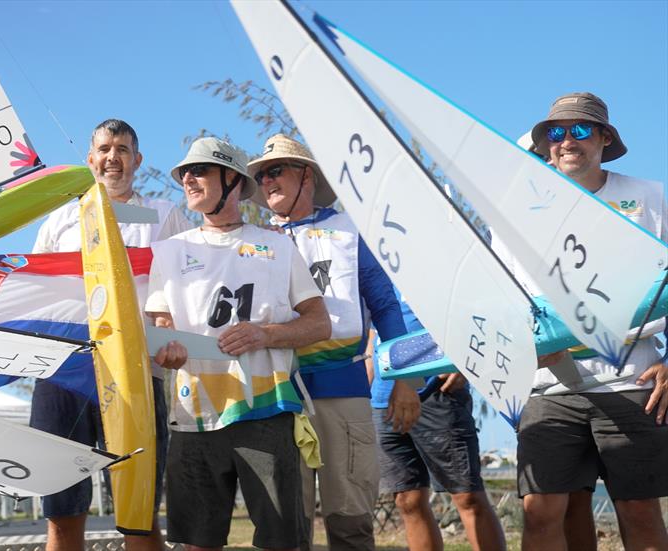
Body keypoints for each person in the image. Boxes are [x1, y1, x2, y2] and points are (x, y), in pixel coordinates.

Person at [145, 137, 330, 551]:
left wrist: (265, 334)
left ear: (232, 179)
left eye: (200, 170)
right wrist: (168, 350)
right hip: (195, 415)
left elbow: (319, 324)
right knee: (197, 543)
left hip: (265, 411)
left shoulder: (278, 246)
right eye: (184, 173)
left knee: (282, 542)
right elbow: (162, 326)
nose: (188, 178)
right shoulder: (170, 251)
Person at [247, 134, 421, 551]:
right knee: (287, 528)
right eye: (262, 175)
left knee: (350, 522)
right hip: (277, 395)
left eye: (276, 171)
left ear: (306, 175)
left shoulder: (349, 232)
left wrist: (404, 379)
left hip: (342, 391)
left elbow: (386, 306)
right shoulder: (253, 240)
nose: (267, 181)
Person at [30, 118, 191, 551]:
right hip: (64, 370)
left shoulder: (162, 213)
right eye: (104, 148)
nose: (112, 157)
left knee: (139, 518)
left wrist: (170, 331)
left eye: (122, 149)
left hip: (136, 371)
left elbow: (182, 286)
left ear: (137, 160)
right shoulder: (61, 219)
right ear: (90, 159)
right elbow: (37, 291)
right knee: (62, 516)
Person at [518, 92, 668, 551]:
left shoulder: (648, 196)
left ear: (605, 137)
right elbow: (504, 294)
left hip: (632, 381)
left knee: (639, 510)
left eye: (580, 130)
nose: (567, 141)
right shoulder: (520, 207)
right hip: (548, 386)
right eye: (556, 133)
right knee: (540, 513)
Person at [368, 296, 506, 551]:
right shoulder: (377, 265)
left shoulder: (439, 260)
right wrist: (365, 392)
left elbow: (484, 309)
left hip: (436, 393)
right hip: (382, 398)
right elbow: (372, 332)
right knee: (407, 499)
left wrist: (468, 363)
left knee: (467, 496)